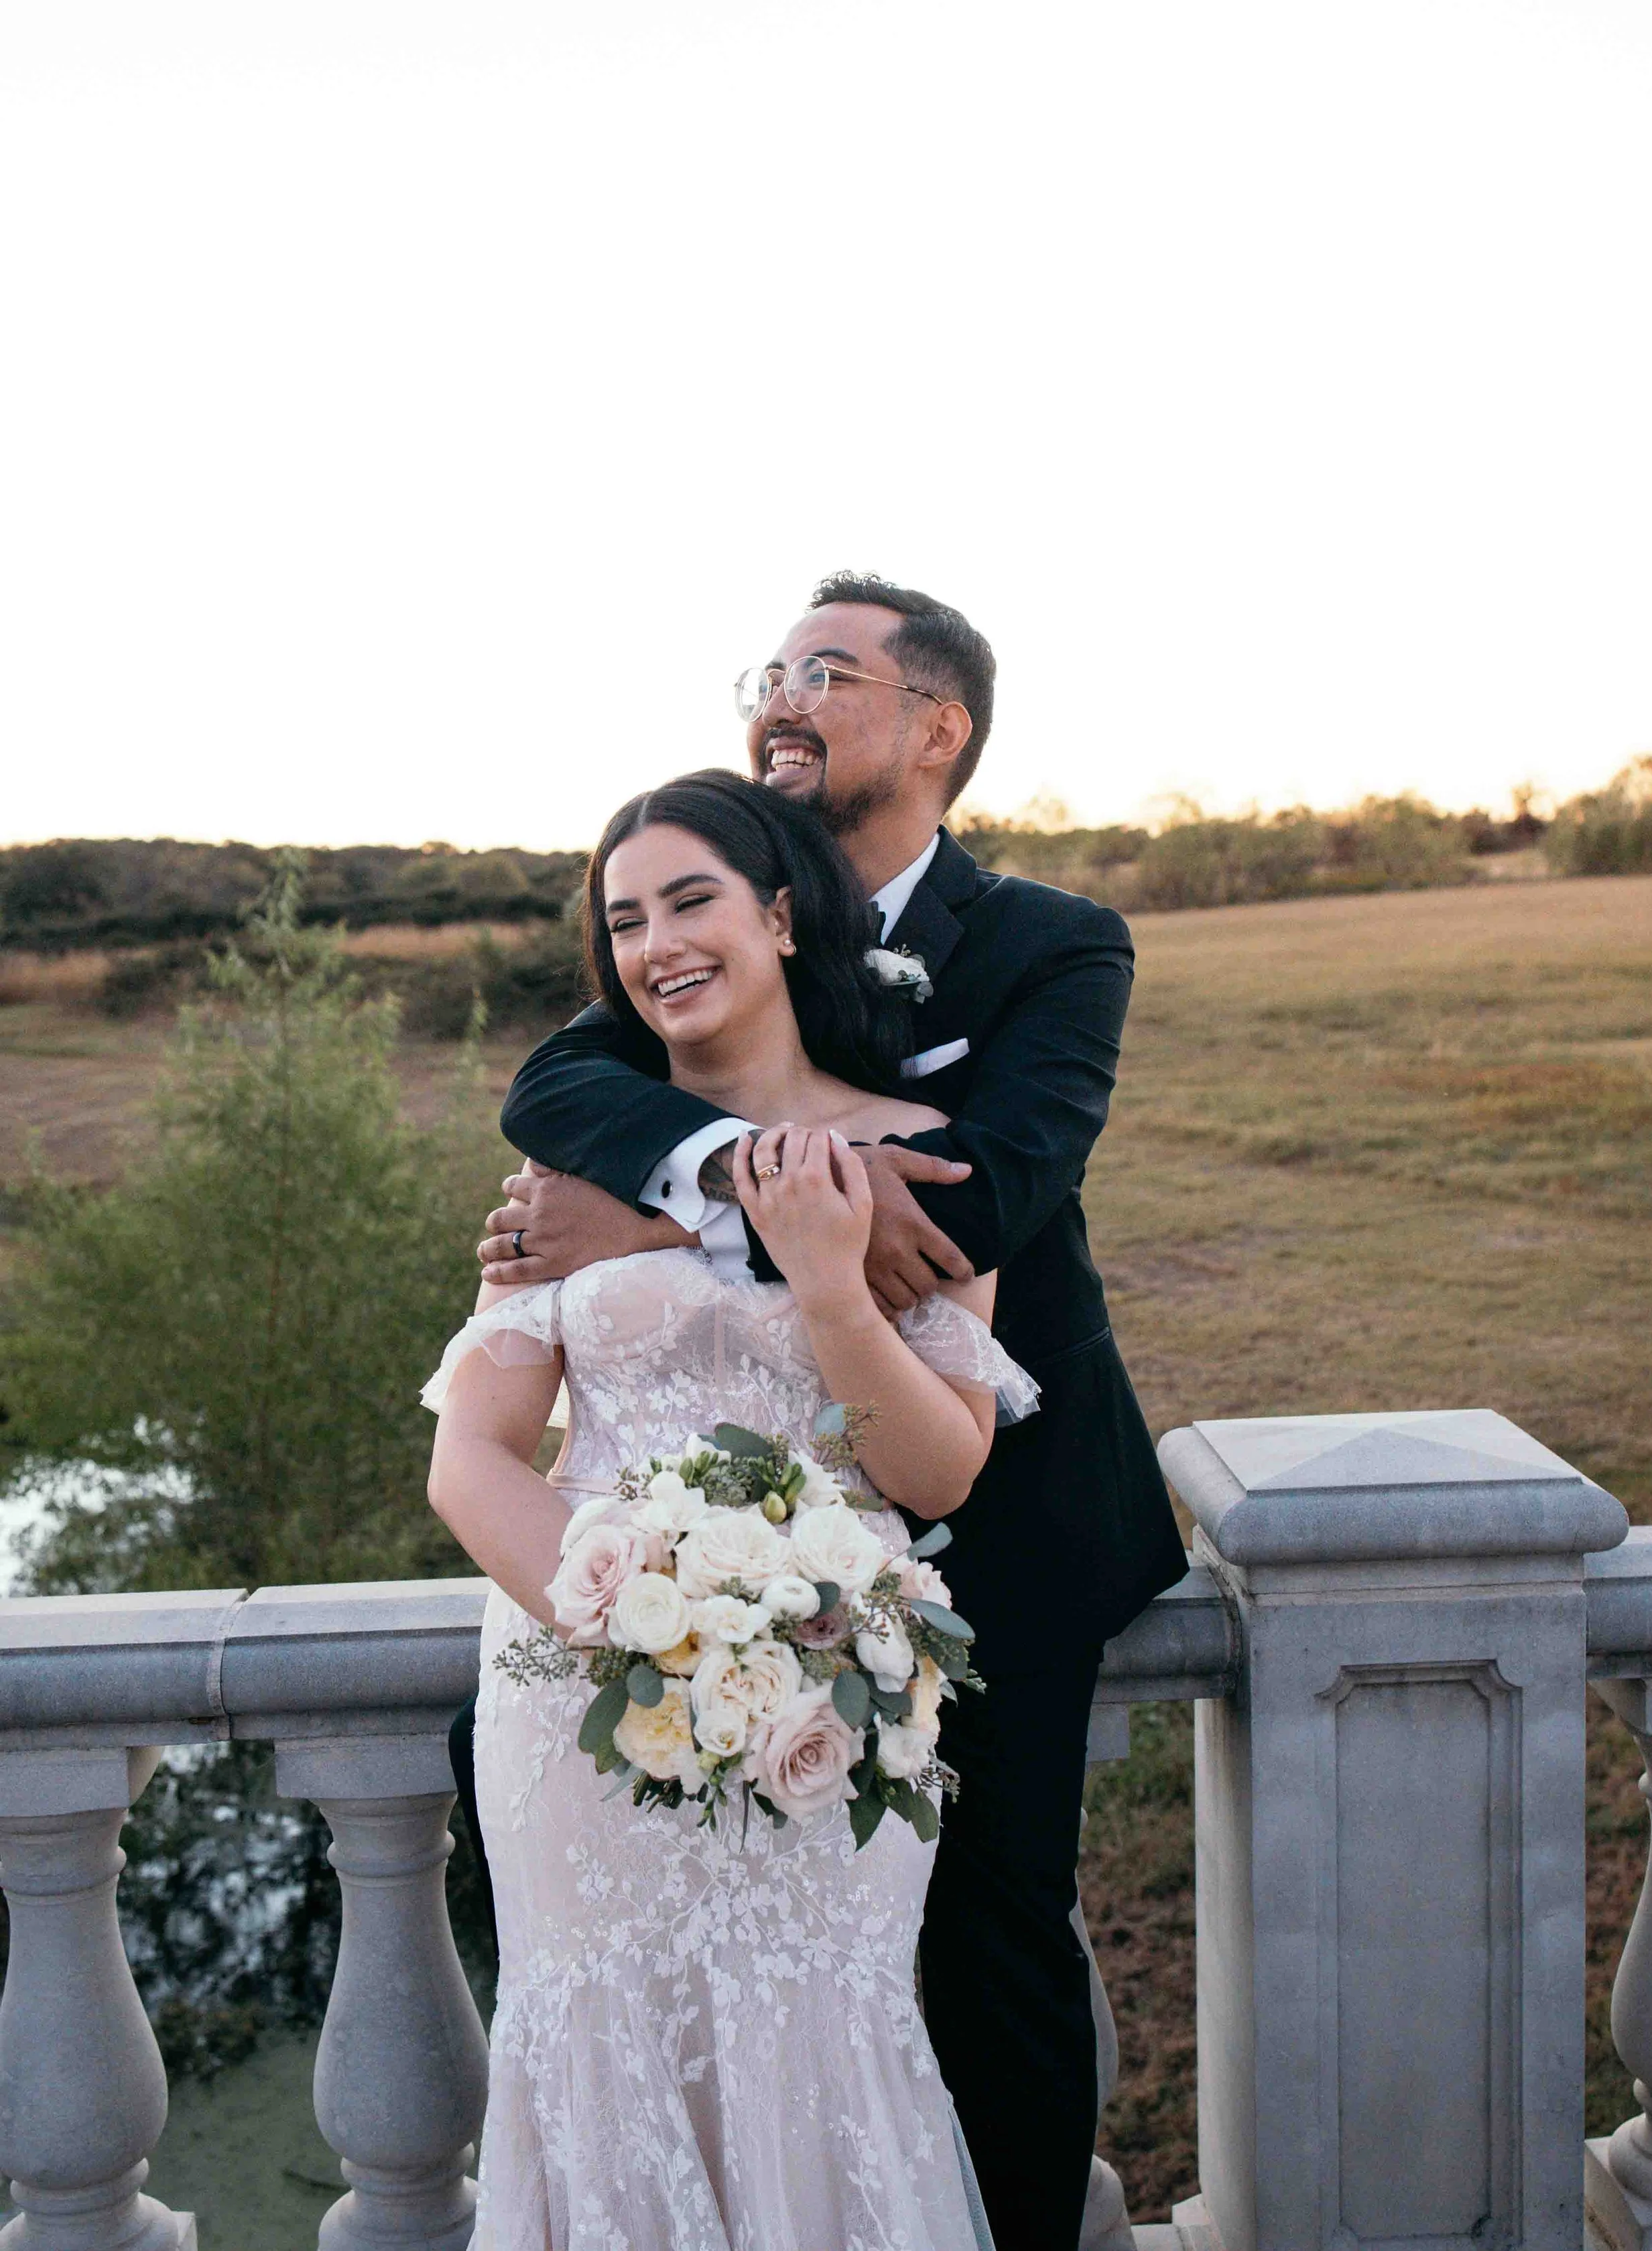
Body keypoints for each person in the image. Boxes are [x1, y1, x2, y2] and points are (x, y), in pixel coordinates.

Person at [475, 574, 1189, 2251]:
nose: (778, 698)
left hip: (997, 1510)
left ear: (937, 726)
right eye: (768, 671)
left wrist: (657, 1209)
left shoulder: (1050, 942)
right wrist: (720, 1164)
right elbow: (551, 1091)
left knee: (990, 1928)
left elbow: (974, 1201)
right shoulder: (691, 922)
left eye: (828, 672)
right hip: (676, 1554)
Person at [426, 771, 1033, 2246]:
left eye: (689, 898)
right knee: (598, 2042)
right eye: (623, 919)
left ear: (774, 912)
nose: (655, 943)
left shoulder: (913, 1158)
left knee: (822, 2033)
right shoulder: (572, 1171)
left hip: (830, 1692)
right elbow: (472, 1456)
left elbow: (938, 1472)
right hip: (579, 1697)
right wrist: (619, 1620)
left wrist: (831, 1280)